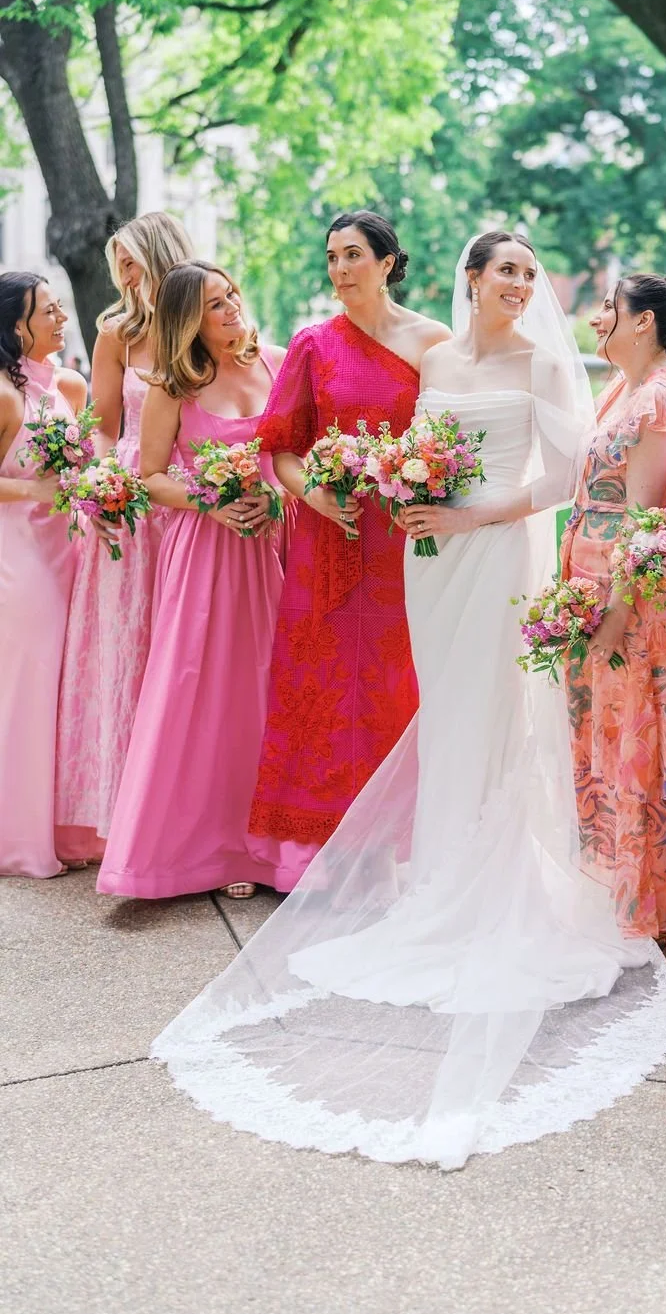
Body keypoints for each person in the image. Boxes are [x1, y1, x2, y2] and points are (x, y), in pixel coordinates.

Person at [152, 231, 666, 1172]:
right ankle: (440, 883)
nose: (521, 286)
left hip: (497, 545)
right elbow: (408, 442)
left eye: (531, 272)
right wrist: (402, 484)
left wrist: (468, 514)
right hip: (425, 553)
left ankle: (497, 894)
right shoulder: (438, 356)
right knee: (442, 714)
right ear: (472, 278)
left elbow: (562, 479)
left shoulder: (537, 360)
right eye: (507, 271)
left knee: (496, 709)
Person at [246, 212, 449, 889]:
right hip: (325, 537)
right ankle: (317, 855)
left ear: (389, 261)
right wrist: (316, 495)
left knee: (397, 682)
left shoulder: (434, 343)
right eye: (331, 256)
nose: (339, 269)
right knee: (321, 682)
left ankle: (398, 845)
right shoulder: (312, 344)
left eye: (354, 255)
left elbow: (452, 442)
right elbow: (281, 447)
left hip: (404, 540)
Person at [97, 261, 290, 900]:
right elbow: (149, 478)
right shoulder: (171, 388)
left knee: (270, 688)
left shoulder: (280, 363)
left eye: (231, 293)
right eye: (214, 304)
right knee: (201, 693)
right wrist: (211, 500)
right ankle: (209, 851)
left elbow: (298, 459)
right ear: (188, 320)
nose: (231, 308)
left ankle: (266, 848)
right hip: (204, 556)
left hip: (270, 552)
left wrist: (276, 500)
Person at [561, 270, 666, 947]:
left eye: (609, 308)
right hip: (589, 595)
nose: (599, 318)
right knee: (599, 742)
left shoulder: (659, 400)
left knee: (635, 748)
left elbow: (645, 519)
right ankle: (613, 892)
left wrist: (619, 610)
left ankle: (645, 907)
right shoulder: (621, 389)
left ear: (643, 321)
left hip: (633, 607)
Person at [55, 212, 194, 863]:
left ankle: (188, 811)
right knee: (128, 652)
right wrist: (104, 483)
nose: (124, 277)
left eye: (133, 262)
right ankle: (122, 818)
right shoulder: (115, 331)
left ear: (164, 257)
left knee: (190, 656)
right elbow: (102, 425)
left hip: (195, 500)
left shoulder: (205, 318)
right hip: (132, 511)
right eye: (118, 267)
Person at [0, 274, 87, 876]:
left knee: (64, 686)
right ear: (15, 327)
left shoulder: (68, 385)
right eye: (48, 311)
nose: (61, 319)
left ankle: (61, 826)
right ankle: (17, 837)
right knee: (28, 686)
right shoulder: (4, 396)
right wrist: (33, 488)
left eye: (60, 308)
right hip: (19, 554)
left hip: (69, 548)